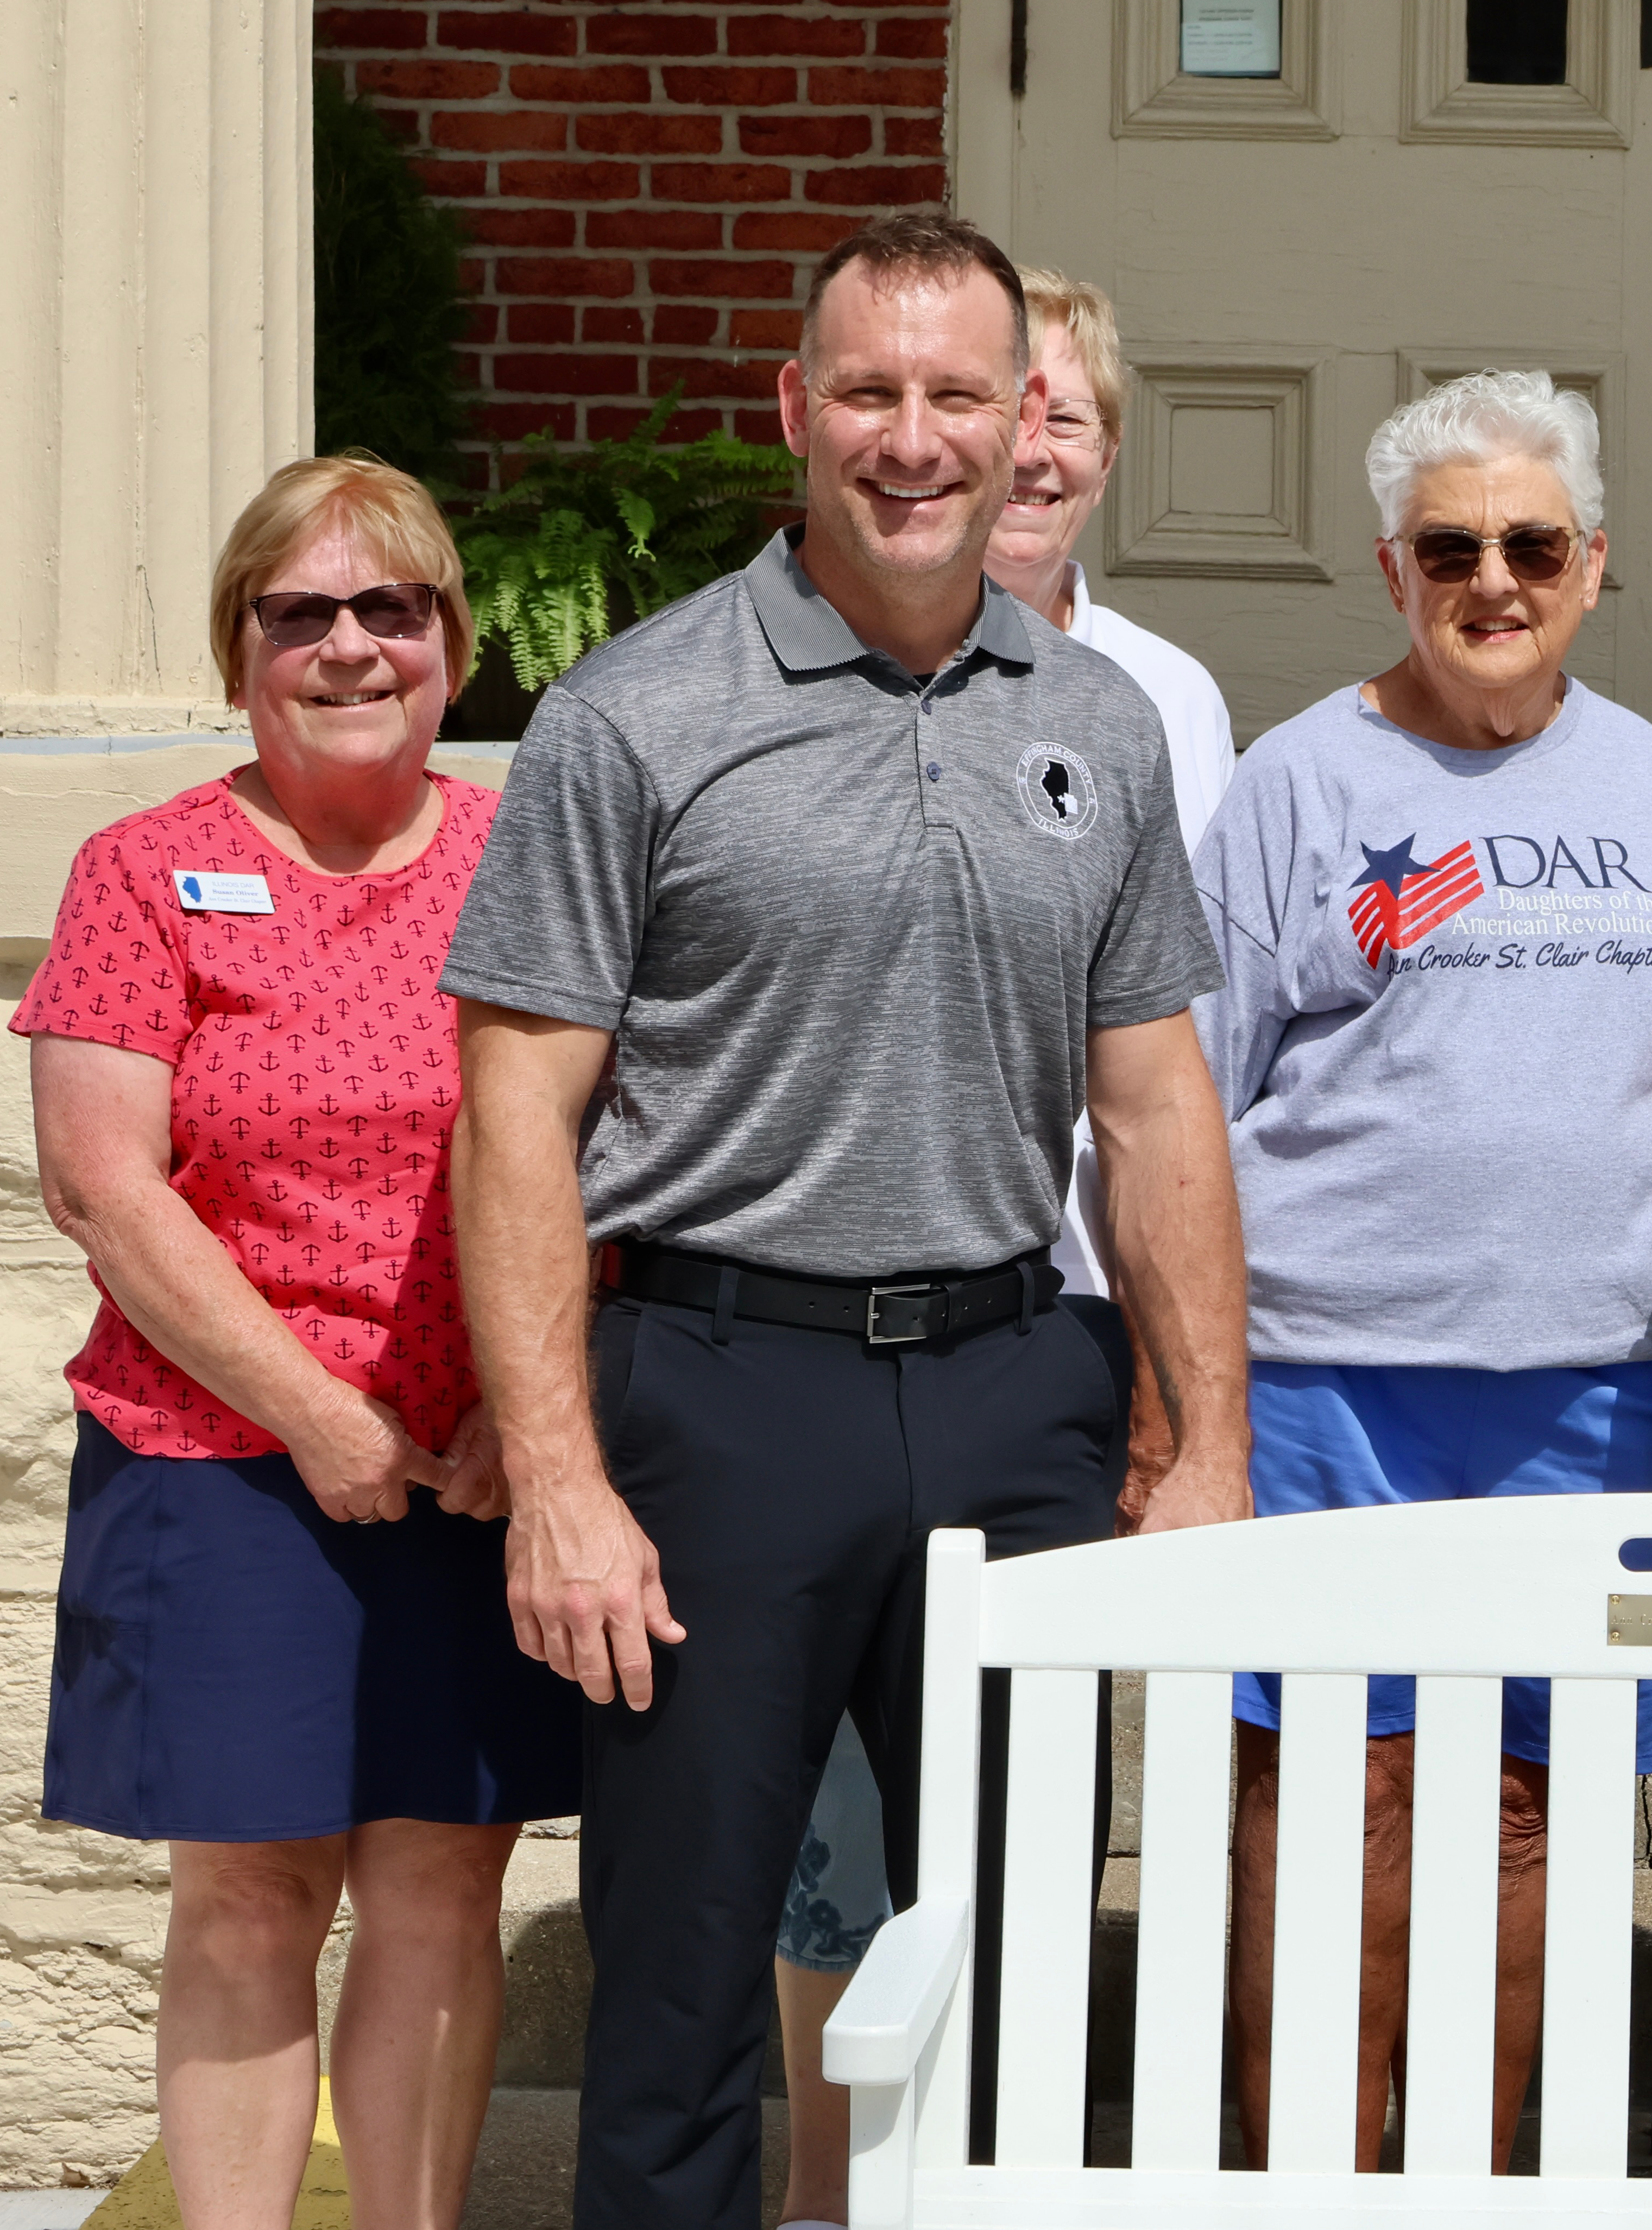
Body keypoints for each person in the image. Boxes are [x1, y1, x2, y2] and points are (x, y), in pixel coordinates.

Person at [439, 212, 1251, 2230]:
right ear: (798, 413)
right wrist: (556, 1476)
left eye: (957, 395)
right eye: (869, 394)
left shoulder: (1100, 720)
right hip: (720, 1396)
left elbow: (1152, 1108)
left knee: (1017, 1956)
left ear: (1019, 421)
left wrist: (1209, 1441)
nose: (914, 439)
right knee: (686, 1970)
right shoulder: (635, 712)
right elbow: (514, 1122)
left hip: (1009, 1390)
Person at [14, 454, 577, 2230]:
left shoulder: (528, 867)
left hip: (475, 1468)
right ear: (239, 648)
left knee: (437, 1885)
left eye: (389, 609)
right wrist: (313, 1414)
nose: (348, 647)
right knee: (251, 1891)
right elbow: (105, 1187)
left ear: (451, 639)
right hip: (222, 1461)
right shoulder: (147, 871)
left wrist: (525, 1416)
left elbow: (607, 1158)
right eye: (300, 613)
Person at [1201, 369, 1652, 2171]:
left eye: (1531, 543)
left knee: (1535, 1815)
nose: (1491, 579)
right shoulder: (1294, 786)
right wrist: (1174, 1406)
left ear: (1595, 563)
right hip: (1326, 1388)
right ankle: (1306, 2193)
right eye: (1452, 546)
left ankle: (1489, 2182)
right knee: (1330, 1806)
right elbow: (1182, 1108)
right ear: (1390, 566)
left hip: (1597, 1389)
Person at [762, 262, 1244, 2230]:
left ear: (1102, 452)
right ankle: (825, 2194)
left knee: (1028, 1805)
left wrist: (1175, 1387)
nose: (1024, 442)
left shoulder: (1161, 703)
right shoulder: (757, 675)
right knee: (837, 1827)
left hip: (1052, 1333)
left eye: (1063, 413)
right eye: (997, 403)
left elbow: (1180, 1069)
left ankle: (1000, 2186)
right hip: (819, 1337)